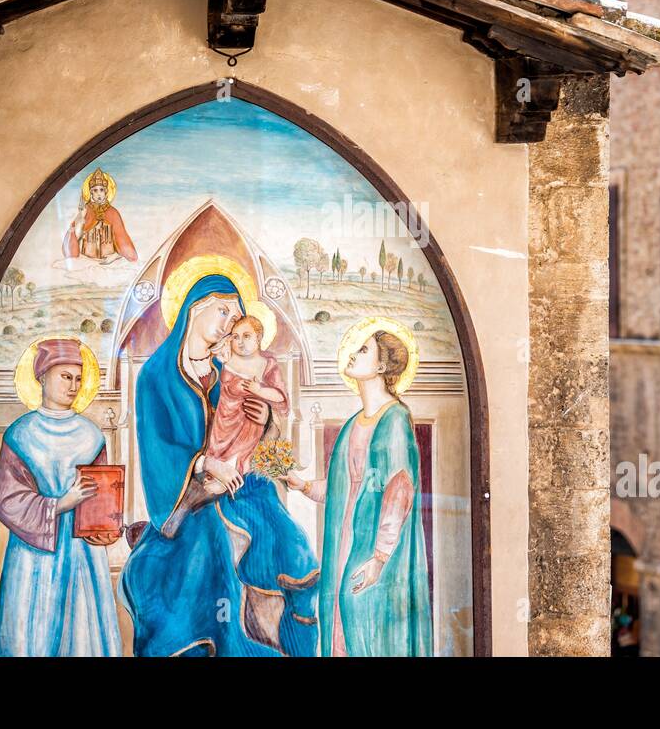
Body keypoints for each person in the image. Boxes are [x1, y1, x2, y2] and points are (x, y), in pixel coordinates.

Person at [120, 269, 319, 656]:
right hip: (189, 499)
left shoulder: (226, 369)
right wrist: (207, 465)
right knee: (207, 565)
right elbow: (159, 447)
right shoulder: (158, 376)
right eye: (224, 312)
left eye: (236, 316)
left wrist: (267, 422)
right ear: (195, 308)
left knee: (294, 552)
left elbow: (263, 439)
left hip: (243, 486)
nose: (230, 324)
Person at [287, 325, 431, 656]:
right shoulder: (354, 423)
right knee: (340, 625)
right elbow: (343, 491)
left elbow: (399, 492)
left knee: (368, 625)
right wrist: (304, 485)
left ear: (382, 367)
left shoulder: (394, 419)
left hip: (376, 551)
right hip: (345, 546)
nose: (354, 353)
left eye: (364, 349)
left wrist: (379, 558)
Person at [0, 337, 122, 656]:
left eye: (78, 379)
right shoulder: (21, 434)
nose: (74, 386)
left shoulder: (91, 435)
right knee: (31, 633)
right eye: (65, 377)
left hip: (81, 554)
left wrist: (104, 525)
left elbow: (101, 499)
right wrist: (60, 504)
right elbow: (6, 500)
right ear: (43, 377)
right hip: (33, 556)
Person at [202, 314, 288, 496]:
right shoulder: (225, 360)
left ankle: (233, 474)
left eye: (246, 336)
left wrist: (259, 390)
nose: (240, 342)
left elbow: (280, 396)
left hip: (249, 419)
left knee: (244, 448)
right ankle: (215, 475)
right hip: (224, 417)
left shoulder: (267, 364)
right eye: (235, 337)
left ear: (259, 338)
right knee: (217, 445)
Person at [63, 167, 137, 262]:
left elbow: (122, 240)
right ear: (91, 193)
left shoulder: (113, 213)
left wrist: (115, 256)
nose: (98, 193)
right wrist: (81, 217)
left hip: (109, 262)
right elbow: (74, 237)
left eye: (101, 190)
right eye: (95, 190)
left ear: (106, 192)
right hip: (86, 261)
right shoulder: (86, 211)